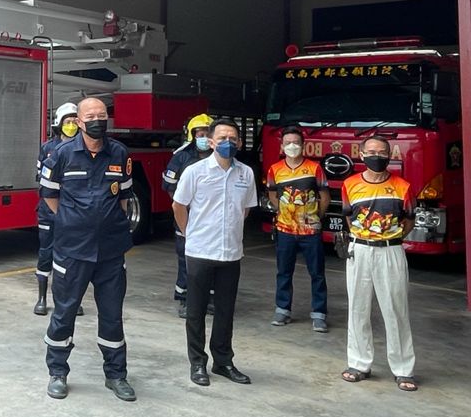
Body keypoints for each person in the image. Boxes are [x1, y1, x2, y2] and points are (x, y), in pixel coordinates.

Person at [40, 98, 136, 402]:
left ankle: (116, 375)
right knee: (65, 312)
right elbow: (49, 197)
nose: (97, 120)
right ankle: (58, 372)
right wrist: (73, 222)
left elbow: (124, 197)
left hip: (110, 251)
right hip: (73, 250)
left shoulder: (119, 153)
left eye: (101, 115)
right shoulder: (61, 155)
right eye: (90, 116)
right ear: (78, 122)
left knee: (112, 315)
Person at [172, 118, 256, 388]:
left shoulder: (246, 174)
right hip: (199, 252)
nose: (227, 143)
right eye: (221, 138)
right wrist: (189, 234)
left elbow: (246, 209)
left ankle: (223, 361)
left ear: (240, 143)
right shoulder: (195, 172)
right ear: (210, 142)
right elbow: (179, 206)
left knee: (225, 311)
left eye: (232, 138)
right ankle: (198, 362)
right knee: (195, 311)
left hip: (231, 253)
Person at [340, 135, 418, 391]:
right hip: (360, 250)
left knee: (396, 309)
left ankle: (403, 369)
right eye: (371, 151)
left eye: (382, 151)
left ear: (389, 155)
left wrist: (389, 238)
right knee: (358, 308)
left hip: (390, 251)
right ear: (361, 155)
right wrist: (364, 238)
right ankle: (359, 363)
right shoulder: (349, 184)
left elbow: (408, 221)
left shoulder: (403, 186)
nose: (377, 156)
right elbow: (349, 219)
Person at [266, 126, 330, 332]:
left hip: (310, 231)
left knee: (317, 273)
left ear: (303, 145)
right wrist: (285, 213)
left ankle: (319, 314)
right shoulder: (275, 170)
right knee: (284, 272)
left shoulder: (315, 168)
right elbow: (273, 195)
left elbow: (324, 196)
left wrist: (314, 218)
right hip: (285, 231)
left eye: (296, 142)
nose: (292, 146)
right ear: (282, 145)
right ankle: (282, 309)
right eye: (288, 143)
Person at [161, 113, 213, 318]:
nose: (203, 136)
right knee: (186, 260)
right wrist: (182, 210)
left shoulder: (219, 156)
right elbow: (169, 186)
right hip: (187, 218)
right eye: (199, 132)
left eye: (207, 132)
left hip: (210, 219)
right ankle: (185, 300)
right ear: (192, 134)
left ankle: (208, 299)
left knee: (211, 260)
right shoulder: (181, 157)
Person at [34, 102, 79, 316]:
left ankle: (69, 300)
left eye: (74, 122)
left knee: (71, 257)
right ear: (58, 124)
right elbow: (42, 181)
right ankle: (42, 298)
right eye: (67, 122)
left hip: (73, 213)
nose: (71, 125)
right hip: (48, 212)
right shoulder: (47, 148)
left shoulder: (84, 149)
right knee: (46, 254)